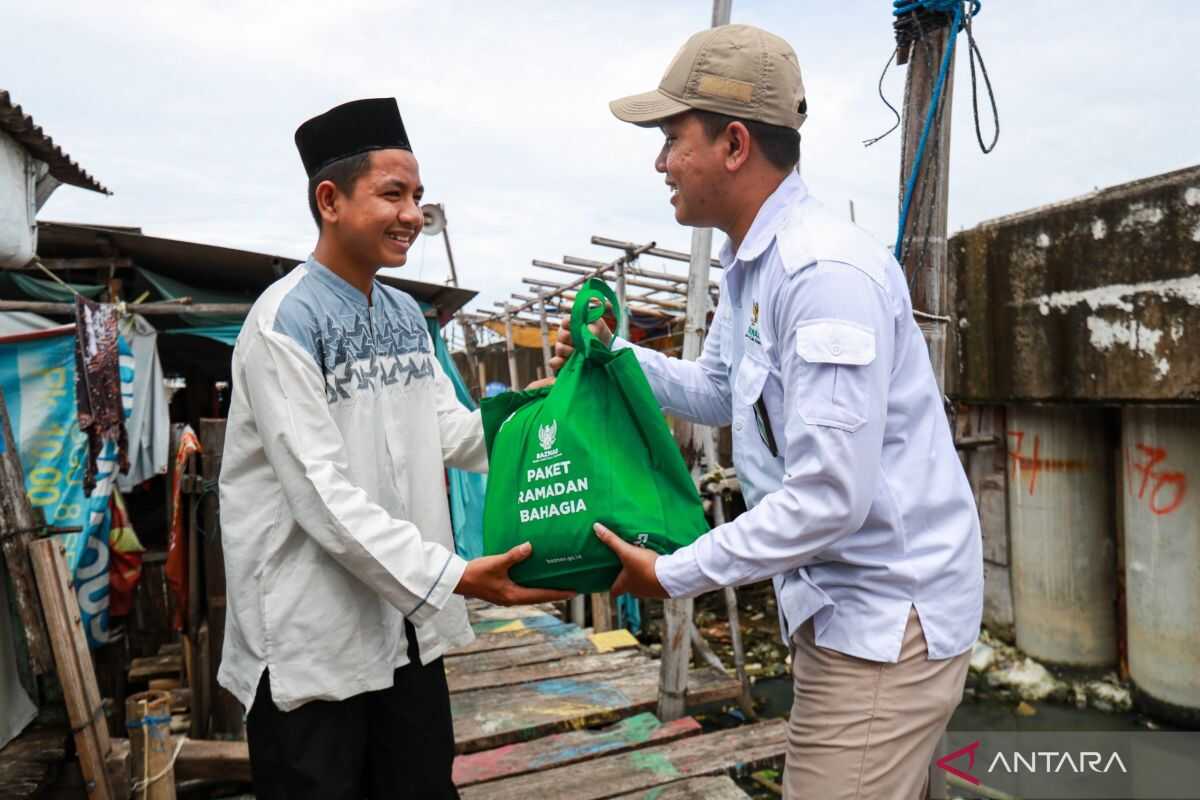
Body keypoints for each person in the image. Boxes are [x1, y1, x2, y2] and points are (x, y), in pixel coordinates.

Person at [552, 26, 983, 799]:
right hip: (838, 609)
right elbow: (719, 389)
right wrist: (617, 356)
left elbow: (829, 497)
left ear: (735, 143)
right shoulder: (750, 260)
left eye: (670, 137)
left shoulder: (820, 273)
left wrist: (673, 573)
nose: (659, 163)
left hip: (885, 624)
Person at [218, 98, 571, 800]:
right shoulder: (284, 323)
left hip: (406, 632)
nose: (413, 213)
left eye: (417, 196)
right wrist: (458, 578)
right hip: (310, 645)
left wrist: (550, 404)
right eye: (392, 194)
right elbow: (322, 498)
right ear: (330, 200)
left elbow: (458, 435)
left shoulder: (407, 315)